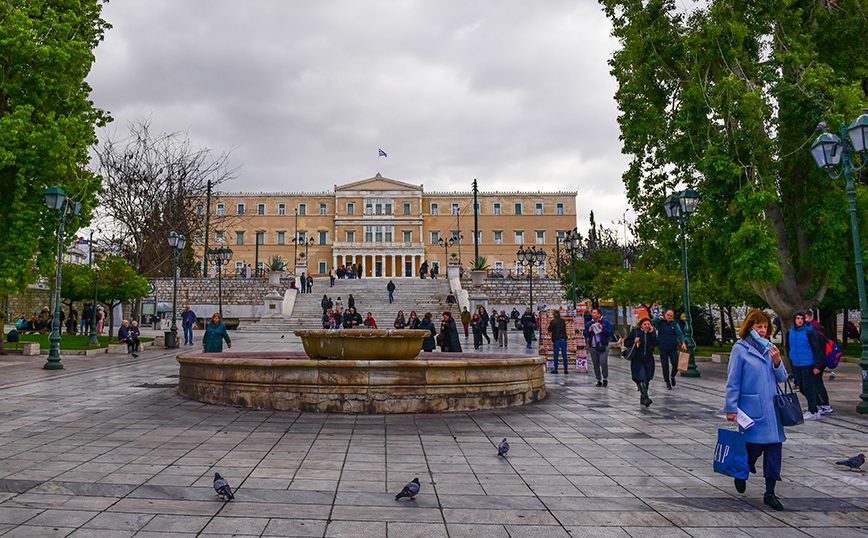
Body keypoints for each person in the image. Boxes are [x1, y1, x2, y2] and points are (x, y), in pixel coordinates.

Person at [725, 309, 788, 512]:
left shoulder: (770, 348)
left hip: (772, 409)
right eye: (758, 326)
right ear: (750, 327)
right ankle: (741, 471)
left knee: (774, 451)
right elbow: (733, 381)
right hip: (751, 410)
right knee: (753, 449)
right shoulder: (740, 349)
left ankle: (770, 492)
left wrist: (777, 361)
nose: (762, 331)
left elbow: (783, 378)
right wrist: (731, 407)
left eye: (765, 327)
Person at [785, 312, 828, 420]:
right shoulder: (790, 332)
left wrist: (816, 366)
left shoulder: (809, 332)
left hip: (808, 363)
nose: (800, 320)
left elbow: (816, 349)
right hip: (796, 364)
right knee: (802, 387)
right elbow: (787, 347)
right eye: (798, 318)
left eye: (801, 318)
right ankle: (816, 405)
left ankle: (813, 410)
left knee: (808, 387)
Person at [652, 310, 686, 390]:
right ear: (665, 315)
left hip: (672, 347)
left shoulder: (674, 324)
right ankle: (667, 381)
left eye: (671, 315)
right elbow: (653, 323)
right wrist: (658, 318)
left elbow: (680, 334)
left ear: (673, 316)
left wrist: (683, 342)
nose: (669, 317)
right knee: (665, 365)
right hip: (663, 347)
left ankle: (672, 376)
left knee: (675, 363)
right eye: (668, 315)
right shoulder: (661, 323)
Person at [628, 318, 658, 407]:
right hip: (637, 359)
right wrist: (634, 340)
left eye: (648, 324)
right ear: (641, 325)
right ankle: (645, 397)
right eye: (645, 324)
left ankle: (643, 396)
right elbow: (626, 342)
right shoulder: (636, 332)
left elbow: (656, 343)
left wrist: (652, 333)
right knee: (641, 378)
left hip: (648, 359)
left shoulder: (651, 334)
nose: (647, 326)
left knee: (647, 378)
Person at [584, 308, 615, 387]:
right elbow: (585, 334)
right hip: (593, 346)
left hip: (603, 346)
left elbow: (610, 333)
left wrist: (602, 328)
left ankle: (605, 378)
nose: (592, 314)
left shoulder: (606, 323)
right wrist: (589, 330)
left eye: (594, 313)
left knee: (603, 362)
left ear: (599, 315)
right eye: (592, 313)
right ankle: (599, 379)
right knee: (595, 364)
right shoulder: (589, 324)